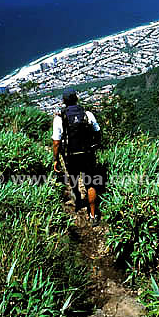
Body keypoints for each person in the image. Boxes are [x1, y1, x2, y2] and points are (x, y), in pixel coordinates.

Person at [52, 88, 101, 227]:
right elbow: (97, 132)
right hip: (87, 154)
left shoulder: (59, 118)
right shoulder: (87, 114)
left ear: (64, 102)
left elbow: (56, 142)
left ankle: (78, 200)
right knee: (90, 184)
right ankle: (92, 215)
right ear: (77, 99)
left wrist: (56, 160)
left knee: (73, 178)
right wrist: (94, 147)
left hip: (70, 156)